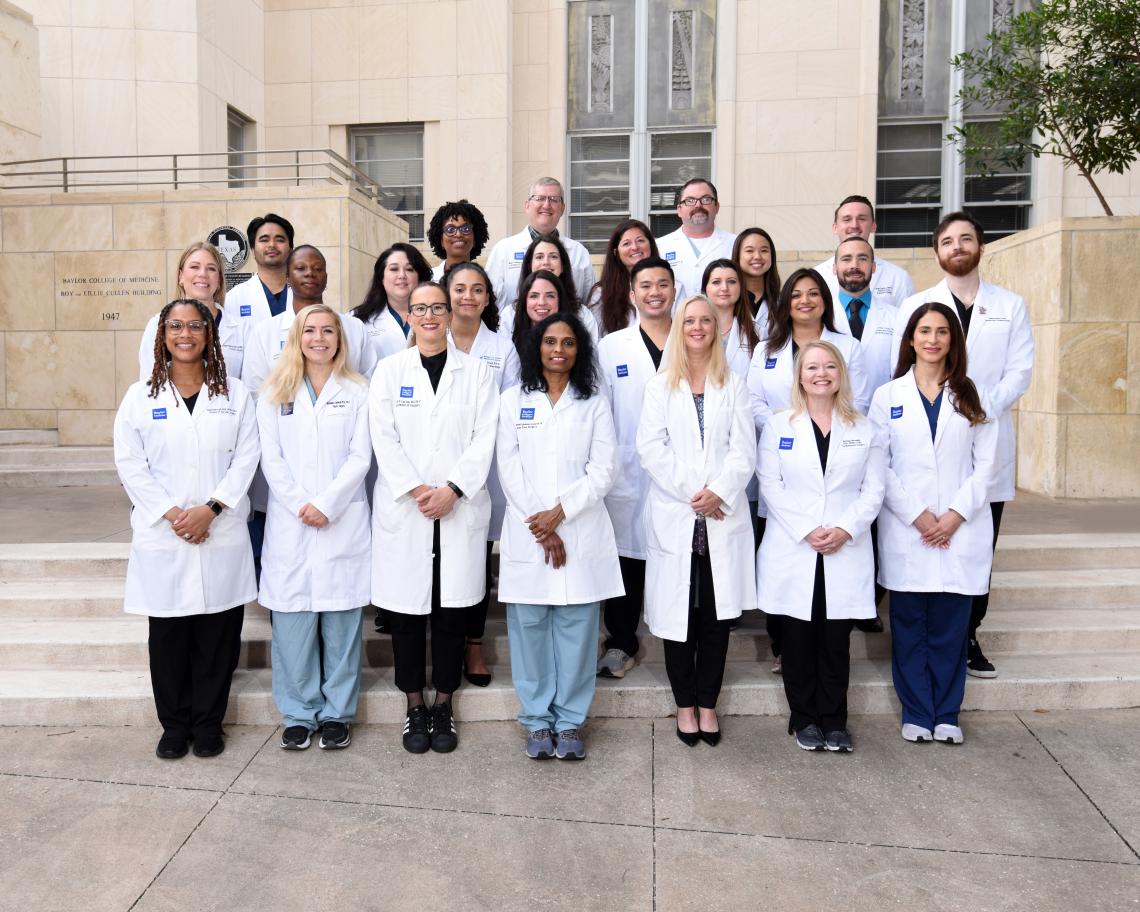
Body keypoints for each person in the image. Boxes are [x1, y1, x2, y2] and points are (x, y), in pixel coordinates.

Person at [114, 298, 259, 760]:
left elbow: (247, 457)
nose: (185, 334)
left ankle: (209, 723)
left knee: (218, 638)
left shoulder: (235, 394)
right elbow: (130, 464)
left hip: (220, 528)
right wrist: (174, 513)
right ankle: (174, 726)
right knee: (168, 639)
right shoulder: (140, 397)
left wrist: (211, 509)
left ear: (208, 334)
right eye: (175, 326)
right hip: (166, 533)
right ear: (162, 336)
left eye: (195, 326)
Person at [891, 212, 1034, 678]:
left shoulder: (1010, 305)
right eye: (948, 241)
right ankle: (919, 635)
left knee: (977, 546)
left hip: (985, 439)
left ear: (981, 247)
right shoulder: (918, 305)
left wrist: (974, 408)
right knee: (921, 543)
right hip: (925, 441)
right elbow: (902, 367)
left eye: (966, 239)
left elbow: (1020, 372)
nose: (957, 246)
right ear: (937, 252)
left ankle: (969, 634)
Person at [369, 281, 499, 755]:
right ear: (409, 316)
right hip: (408, 508)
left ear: (449, 315)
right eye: (419, 308)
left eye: (437, 308)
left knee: (451, 612)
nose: (428, 316)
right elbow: (383, 438)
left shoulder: (478, 373)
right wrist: (418, 489)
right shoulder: (389, 371)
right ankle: (413, 704)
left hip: (458, 507)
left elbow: (485, 437)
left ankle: (444, 702)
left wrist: (453, 490)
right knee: (406, 613)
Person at [496, 312, 622, 760]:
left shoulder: (594, 403)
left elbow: (604, 469)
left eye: (568, 343)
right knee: (529, 633)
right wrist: (542, 524)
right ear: (536, 347)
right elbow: (508, 467)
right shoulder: (512, 401)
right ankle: (536, 721)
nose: (558, 350)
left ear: (579, 350)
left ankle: (569, 723)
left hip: (579, 529)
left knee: (577, 635)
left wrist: (560, 513)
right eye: (550, 341)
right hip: (530, 532)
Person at [871, 302, 998, 744]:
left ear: (952, 340)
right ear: (911, 339)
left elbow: (988, 466)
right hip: (909, 528)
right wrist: (920, 516)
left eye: (942, 331)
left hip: (960, 529)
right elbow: (879, 466)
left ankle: (947, 714)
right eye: (924, 331)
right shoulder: (888, 396)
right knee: (909, 628)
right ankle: (916, 712)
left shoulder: (973, 393)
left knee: (949, 631)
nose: (932, 339)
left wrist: (954, 516)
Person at [637, 294, 757, 746]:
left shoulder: (734, 384)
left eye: (706, 320)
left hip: (721, 516)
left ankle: (708, 704)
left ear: (717, 327)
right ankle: (685, 705)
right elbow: (651, 449)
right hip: (679, 514)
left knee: (715, 620)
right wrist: (698, 493)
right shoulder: (660, 385)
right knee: (679, 619)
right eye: (690, 320)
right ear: (679, 327)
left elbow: (745, 450)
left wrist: (719, 492)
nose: (698, 327)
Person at [757, 341, 885, 752]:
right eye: (812, 367)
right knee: (797, 641)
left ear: (841, 375)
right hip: (795, 546)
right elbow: (770, 484)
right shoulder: (779, 425)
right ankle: (804, 719)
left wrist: (845, 529)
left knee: (834, 642)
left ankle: (834, 721)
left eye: (830, 366)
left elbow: (874, 490)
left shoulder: (865, 428)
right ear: (799, 376)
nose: (821, 374)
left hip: (843, 547)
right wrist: (807, 528)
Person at [256, 303, 371, 751]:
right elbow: (271, 459)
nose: (318, 339)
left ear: (340, 339)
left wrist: (326, 504)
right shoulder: (274, 392)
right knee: (292, 627)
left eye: (327, 331)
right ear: (296, 338)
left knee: (342, 624)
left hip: (340, 518)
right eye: (310, 331)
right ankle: (299, 713)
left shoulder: (358, 390)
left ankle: (338, 713)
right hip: (292, 520)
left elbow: (360, 456)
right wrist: (301, 504)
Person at [747, 268, 871, 671]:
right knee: (786, 569)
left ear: (825, 300)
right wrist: (789, 427)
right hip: (784, 458)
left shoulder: (847, 346)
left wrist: (809, 423)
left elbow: (859, 400)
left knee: (830, 588)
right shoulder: (766, 349)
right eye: (796, 294)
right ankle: (783, 646)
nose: (805, 300)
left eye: (813, 293)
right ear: (785, 303)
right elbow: (753, 400)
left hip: (837, 453)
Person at [595, 256, 676, 678]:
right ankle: (620, 642)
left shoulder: (692, 338)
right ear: (631, 295)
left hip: (680, 471)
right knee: (626, 557)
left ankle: (676, 640)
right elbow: (600, 412)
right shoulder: (611, 346)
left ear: (674, 290)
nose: (654, 292)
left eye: (662, 284)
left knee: (675, 555)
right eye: (645, 285)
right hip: (627, 469)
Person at [445, 262, 521, 686]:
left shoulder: (502, 348)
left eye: (477, 290)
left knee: (476, 561)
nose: (468, 297)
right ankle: (444, 644)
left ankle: (473, 644)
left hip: (484, 469)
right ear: (447, 294)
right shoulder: (427, 338)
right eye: (460, 289)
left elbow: (506, 413)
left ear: (488, 298)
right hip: (437, 472)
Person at [702, 259, 762, 542]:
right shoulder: (692, 330)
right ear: (705, 288)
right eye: (716, 282)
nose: (724, 288)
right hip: (703, 440)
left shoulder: (757, 331)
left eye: (731, 281)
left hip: (743, 439)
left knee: (739, 531)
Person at [485, 177, 595, 312]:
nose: (547, 205)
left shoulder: (579, 252)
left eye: (554, 199)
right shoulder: (503, 250)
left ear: (562, 209)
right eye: (540, 198)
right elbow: (491, 303)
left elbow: (588, 303)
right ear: (527, 205)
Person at [137, 243, 230, 380]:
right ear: (181, 276)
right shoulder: (157, 325)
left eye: (211, 268)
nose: (202, 274)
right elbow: (149, 382)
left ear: (220, 280)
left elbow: (249, 387)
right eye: (194, 267)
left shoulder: (242, 329)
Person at [813, 195, 916, 313]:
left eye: (862, 219)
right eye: (847, 219)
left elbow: (909, 321)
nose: (854, 225)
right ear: (835, 228)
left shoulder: (898, 278)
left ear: (873, 226)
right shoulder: (816, 277)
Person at [222, 213, 295, 377]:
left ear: (291, 249)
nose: (272, 245)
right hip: (252, 386)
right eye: (264, 239)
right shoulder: (234, 298)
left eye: (280, 239)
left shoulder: (303, 295)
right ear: (253, 250)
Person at [504, 233, 600, 341]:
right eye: (539, 257)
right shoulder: (510, 314)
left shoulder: (582, 314)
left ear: (563, 266)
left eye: (553, 256)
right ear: (529, 265)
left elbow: (592, 350)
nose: (546, 262)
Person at [354, 243, 434, 366]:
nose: (402, 275)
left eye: (409, 269)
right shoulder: (356, 320)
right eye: (394, 269)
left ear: (420, 277)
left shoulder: (439, 316)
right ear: (381, 277)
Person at [655, 178, 736, 300]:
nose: (698, 205)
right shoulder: (659, 247)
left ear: (717, 207)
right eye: (690, 200)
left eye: (706, 199)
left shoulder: (736, 244)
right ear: (679, 210)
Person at [588, 218, 662, 337]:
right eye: (626, 243)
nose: (635, 247)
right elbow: (595, 338)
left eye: (640, 240)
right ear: (616, 252)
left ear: (651, 245)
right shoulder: (601, 292)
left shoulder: (670, 285)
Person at [507, 270, 576, 355]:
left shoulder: (576, 339)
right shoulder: (509, 341)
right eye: (534, 296)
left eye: (550, 296)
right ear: (525, 301)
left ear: (559, 300)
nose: (542, 302)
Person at [427, 199, 490, 282]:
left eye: (466, 229)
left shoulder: (487, 280)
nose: (458, 234)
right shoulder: (428, 278)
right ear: (441, 240)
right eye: (450, 229)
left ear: (475, 239)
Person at [732, 227, 781, 331]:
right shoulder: (727, 298)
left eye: (764, 250)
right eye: (749, 250)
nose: (757, 256)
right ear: (738, 255)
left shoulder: (782, 301)